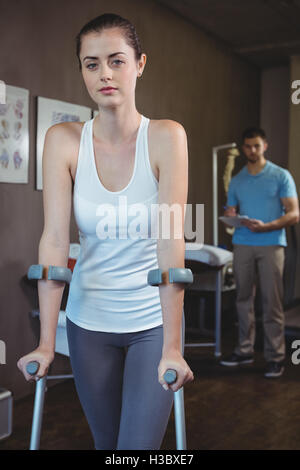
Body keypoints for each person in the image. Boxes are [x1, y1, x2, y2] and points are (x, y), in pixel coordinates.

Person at [17, 13, 194, 450]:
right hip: (88, 322)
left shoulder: (166, 137)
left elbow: (170, 240)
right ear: (81, 70)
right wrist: (45, 342)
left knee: (136, 449)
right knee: (106, 445)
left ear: (140, 64)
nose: (105, 74)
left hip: (151, 322)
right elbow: (55, 240)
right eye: (91, 64)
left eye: (116, 60)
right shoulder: (63, 140)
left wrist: (172, 345)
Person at [220, 127, 299, 378]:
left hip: (272, 244)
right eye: (247, 146)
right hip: (242, 243)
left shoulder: (280, 176)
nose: (251, 150)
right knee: (242, 298)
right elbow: (231, 210)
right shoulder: (238, 179)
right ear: (243, 149)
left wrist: (268, 226)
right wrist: (230, 216)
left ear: (265, 146)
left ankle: (275, 356)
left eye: (256, 145)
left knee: (271, 301)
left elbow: (294, 213)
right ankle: (244, 350)